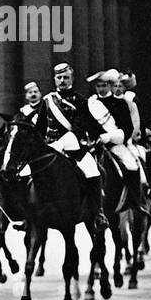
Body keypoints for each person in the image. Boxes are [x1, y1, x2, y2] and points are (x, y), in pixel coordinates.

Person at [32, 61, 107, 230]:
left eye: (66, 77)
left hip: (74, 149)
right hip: (50, 148)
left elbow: (80, 127)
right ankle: (28, 215)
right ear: (55, 80)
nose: (62, 80)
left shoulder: (80, 101)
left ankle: (98, 213)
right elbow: (39, 128)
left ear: (72, 79)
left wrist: (63, 143)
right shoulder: (47, 101)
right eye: (59, 77)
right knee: (27, 172)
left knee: (93, 171)